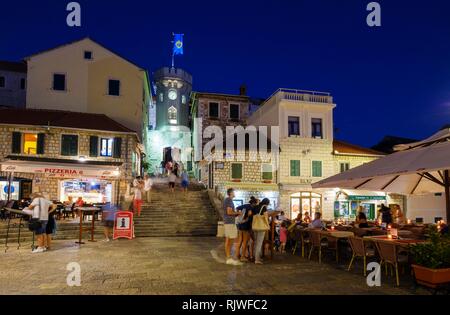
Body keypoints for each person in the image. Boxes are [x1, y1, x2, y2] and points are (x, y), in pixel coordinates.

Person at [223, 188, 243, 266]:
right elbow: (229, 212)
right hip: (229, 222)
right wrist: (238, 213)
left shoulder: (228, 200)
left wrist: (236, 213)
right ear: (231, 193)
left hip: (229, 222)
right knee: (230, 240)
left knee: (229, 240)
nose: (235, 193)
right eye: (234, 192)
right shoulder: (228, 200)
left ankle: (229, 257)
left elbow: (230, 212)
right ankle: (228, 258)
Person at [236, 197, 258, 262]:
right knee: (245, 242)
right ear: (253, 203)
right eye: (255, 204)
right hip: (246, 226)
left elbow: (237, 208)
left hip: (240, 225)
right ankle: (242, 256)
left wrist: (240, 215)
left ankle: (237, 255)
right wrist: (247, 217)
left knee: (240, 240)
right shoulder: (251, 208)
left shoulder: (245, 205)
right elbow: (250, 216)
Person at [253, 198, 270, 265]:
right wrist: (268, 225)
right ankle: (257, 259)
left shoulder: (256, 206)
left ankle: (256, 257)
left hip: (255, 226)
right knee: (259, 243)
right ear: (267, 203)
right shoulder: (264, 207)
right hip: (261, 227)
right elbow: (266, 218)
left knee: (256, 242)